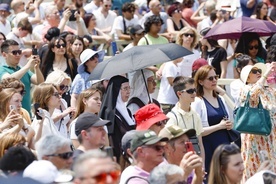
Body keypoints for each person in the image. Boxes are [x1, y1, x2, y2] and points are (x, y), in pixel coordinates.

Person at [191, 65, 234, 179]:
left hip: (224, 147)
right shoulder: (198, 102)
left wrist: (228, 125)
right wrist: (219, 126)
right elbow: (198, 131)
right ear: (200, 81)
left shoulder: (221, 99)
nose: (214, 80)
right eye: (210, 78)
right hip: (209, 148)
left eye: (216, 77)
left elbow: (227, 122)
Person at [238, 62, 276, 181]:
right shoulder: (246, 88)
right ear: (247, 76)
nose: (259, 73)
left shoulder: (268, 90)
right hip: (255, 135)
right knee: (254, 166)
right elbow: (253, 94)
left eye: (259, 70)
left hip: (270, 135)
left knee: (270, 167)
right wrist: (266, 74)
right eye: (254, 71)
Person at [0, 39, 44, 115]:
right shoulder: (2, 69)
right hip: (10, 115)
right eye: (14, 52)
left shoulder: (22, 69)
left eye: (19, 52)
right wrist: (28, 66)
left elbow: (39, 82)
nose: (18, 55)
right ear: (4, 54)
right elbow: (8, 81)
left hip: (26, 113)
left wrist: (36, 68)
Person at [166, 76, 205, 160]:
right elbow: (169, 146)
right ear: (179, 94)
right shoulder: (172, 117)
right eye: (190, 91)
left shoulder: (196, 115)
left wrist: (202, 165)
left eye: (195, 90)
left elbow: (200, 144)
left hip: (195, 161)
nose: (194, 93)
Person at [99, 75, 136, 163]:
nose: (128, 92)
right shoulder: (110, 113)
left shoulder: (127, 110)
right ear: (116, 90)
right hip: (119, 154)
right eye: (125, 88)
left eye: (129, 88)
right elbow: (112, 139)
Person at [45, 70, 76, 138]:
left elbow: (65, 125)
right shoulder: (45, 102)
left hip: (64, 140)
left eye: (66, 87)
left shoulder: (63, 102)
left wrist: (72, 118)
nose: (63, 90)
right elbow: (44, 123)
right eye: (62, 86)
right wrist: (62, 114)